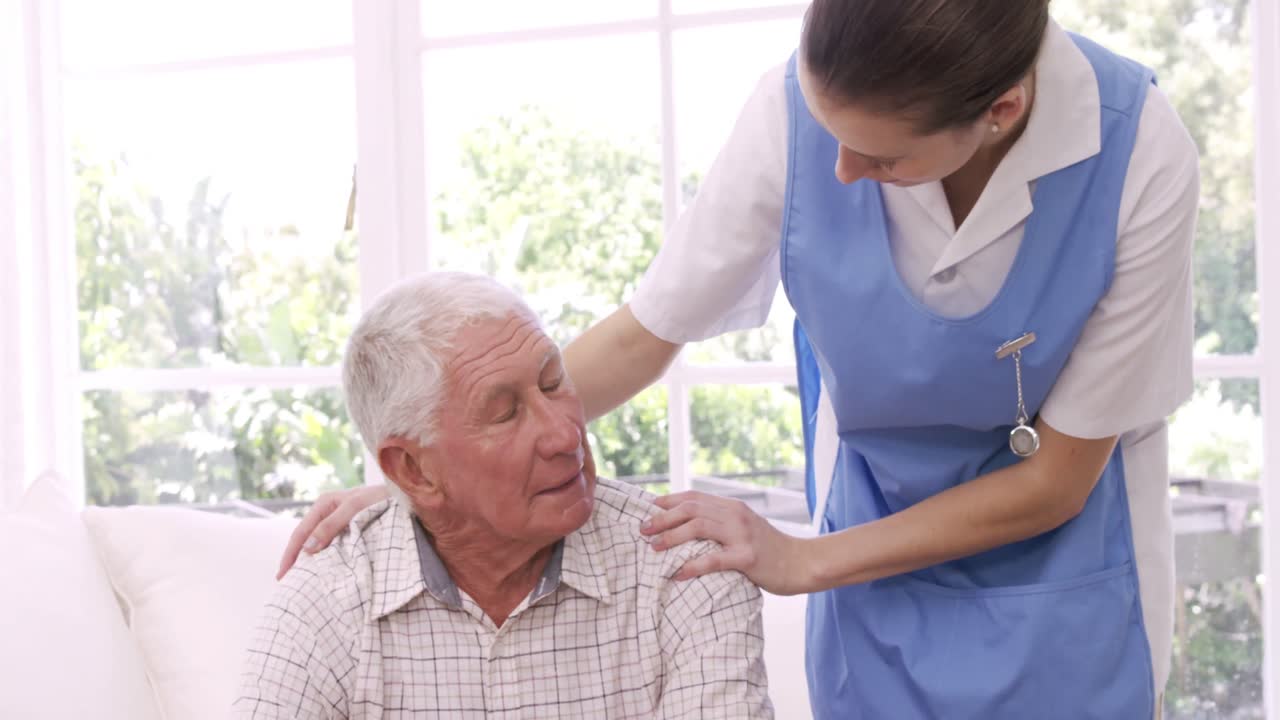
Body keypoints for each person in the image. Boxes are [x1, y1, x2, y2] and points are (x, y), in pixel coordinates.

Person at [278, 1, 1199, 717]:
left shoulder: (1138, 152)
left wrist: (798, 560)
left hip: (1062, 544)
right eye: (830, 133)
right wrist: (433, 473)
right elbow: (649, 330)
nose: (838, 174)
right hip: (873, 532)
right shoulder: (789, 110)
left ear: (1001, 112)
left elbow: (1057, 481)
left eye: (878, 158)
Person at [240, 272, 772, 719]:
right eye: (504, 413)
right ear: (413, 471)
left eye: (552, 382)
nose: (567, 435)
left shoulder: (684, 573)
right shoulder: (326, 604)